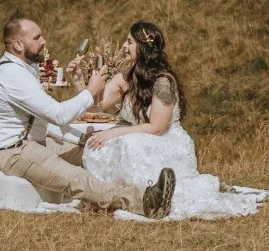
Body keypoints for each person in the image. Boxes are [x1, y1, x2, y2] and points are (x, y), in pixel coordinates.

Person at [0, 16, 175, 217]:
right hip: (10, 151)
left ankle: (148, 184)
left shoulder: (24, 68)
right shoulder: (12, 75)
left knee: (94, 153)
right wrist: (90, 90)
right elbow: (59, 115)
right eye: (37, 38)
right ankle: (144, 201)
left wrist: (81, 140)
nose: (44, 41)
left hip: (28, 141)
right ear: (18, 45)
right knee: (75, 178)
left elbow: (42, 121)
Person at [83, 21, 232, 219]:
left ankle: (152, 195)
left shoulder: (163, 81)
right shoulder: (126, 77)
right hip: (139, 134)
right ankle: (114, 196)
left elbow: (158, 127)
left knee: (128, 144)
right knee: (96, 145)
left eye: (129, 42)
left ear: (143, 47)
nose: (123, 47)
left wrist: (113, 132)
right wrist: (79, 80)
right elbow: (94, 105)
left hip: (165, 140)